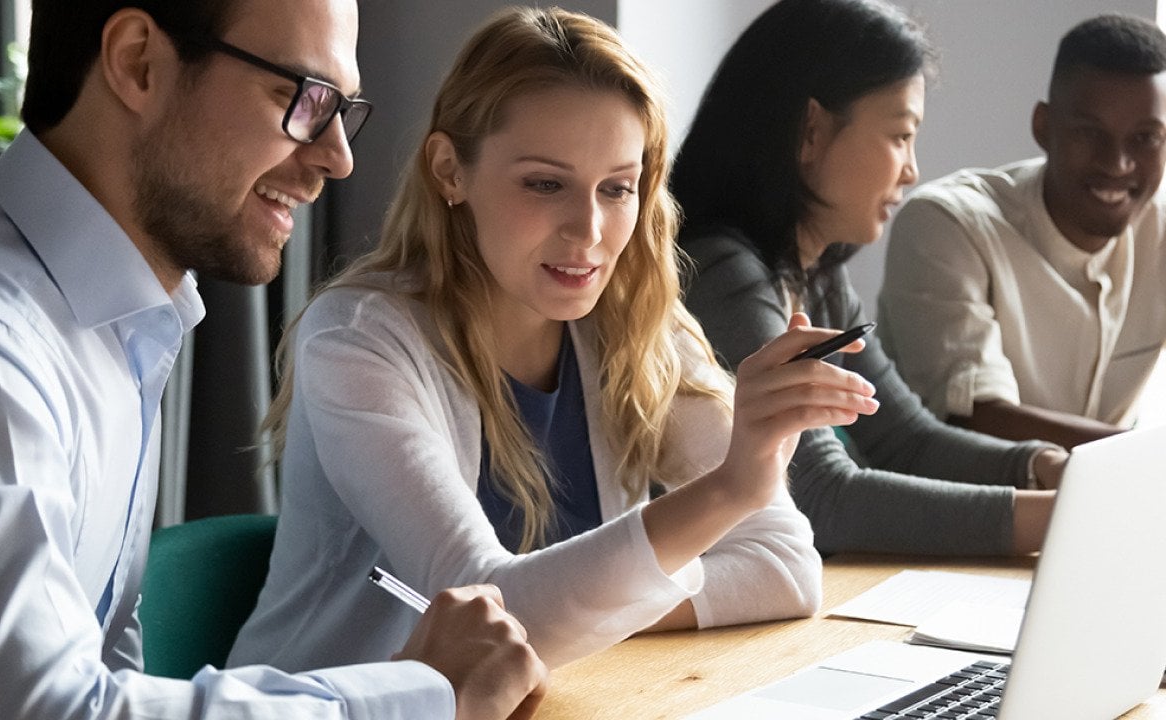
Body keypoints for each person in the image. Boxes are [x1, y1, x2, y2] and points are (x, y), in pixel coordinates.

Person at [0, 0, 549, 717]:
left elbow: (105, 669)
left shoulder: (115, 315)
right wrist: (426, 696)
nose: (338, 156)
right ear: (138, 62)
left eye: (342, 108)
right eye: (303, 98)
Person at [227, 5, 877, 673]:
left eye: (617, 189)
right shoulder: (358, 343)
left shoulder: (633, 321)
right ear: (450, 170)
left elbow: (786, 568)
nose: (588, 230)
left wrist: (578, 615)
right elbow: (489, 607)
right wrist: (729, 490)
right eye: (545, 183)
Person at [671, 0, 1069, 556]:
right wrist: (1060, 520)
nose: (912, 170)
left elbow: (906, 440)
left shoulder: (817, 275)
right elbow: (820, 496)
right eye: (901, 136)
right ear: (811, 131)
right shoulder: (719, 273)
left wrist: (1037, 464)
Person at [877, 14, 1166, 451]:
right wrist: (1140, 458)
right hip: (964, 510)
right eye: (1090, 133)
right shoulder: (947, 224)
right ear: (1043, 127)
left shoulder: (1159, 232)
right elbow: (974, 417)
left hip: (1104, 510)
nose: (1117, 163)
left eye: (1146, 138)